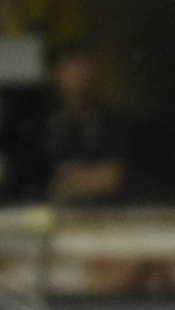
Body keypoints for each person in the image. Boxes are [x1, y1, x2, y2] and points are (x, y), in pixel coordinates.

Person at [40, 47, 129, 205]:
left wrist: (76, 180)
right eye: (71, 67)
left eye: (83, 66)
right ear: (56, 74)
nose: (78, 73)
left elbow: (114, 176)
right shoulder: (42, 121)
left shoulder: (109, 121)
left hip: (105, 215)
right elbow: (40, 179)